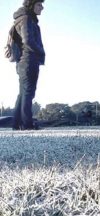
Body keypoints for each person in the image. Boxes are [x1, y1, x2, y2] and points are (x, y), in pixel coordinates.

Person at [12, 0, 45, 130]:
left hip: (24, 61)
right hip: (28, 60)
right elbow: (27, 40)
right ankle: (27, 124)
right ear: (31, 5)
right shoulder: (26, 19)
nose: (42, 7)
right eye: (39, 4)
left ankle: (17, 123)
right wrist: (41, 51)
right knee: (28, 93)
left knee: (23, 93)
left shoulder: (25, 18)